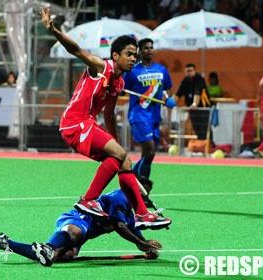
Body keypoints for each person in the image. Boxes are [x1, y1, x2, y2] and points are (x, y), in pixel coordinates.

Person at [40, 7, 171, 230]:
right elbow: (76, 50)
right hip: (75, 122)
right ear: (115, 56)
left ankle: (141, 214)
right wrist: (54, 30)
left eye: (135, 55)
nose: (133, 58)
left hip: (88, 124)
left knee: (125, 161)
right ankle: (88, 199)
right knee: (120, 156)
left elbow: (108, 114)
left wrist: (116, 143)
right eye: (129, 54)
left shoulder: (119, 83)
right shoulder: (101, 67)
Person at [0, 189, 162, 267]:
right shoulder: (119, 197)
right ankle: (48, 246)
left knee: (59, 257)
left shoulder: (130, 215)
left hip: (85, 233)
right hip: (78, 219)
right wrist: (142, 243)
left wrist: (147, 245)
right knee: (74, 233)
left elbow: (134, 234)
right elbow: (119, 226)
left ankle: (7, 242)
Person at [123, 37, 175, 182]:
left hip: (154, 117)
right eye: (146, 48)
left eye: (151, 47)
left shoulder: (161, 70)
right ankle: (141, 186)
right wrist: (120, 90)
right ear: (139, 51)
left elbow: (167, 89)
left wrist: (167, 99)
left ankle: (132, 183)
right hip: (139, 115)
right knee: (150, 150)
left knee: (149, 154)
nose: (149, 50)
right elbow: (122, 88)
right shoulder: (132, 71)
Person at [174, 63, 212, 140]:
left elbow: (197, 93)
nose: (189, 73)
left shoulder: (199, 79)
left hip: (203, 109)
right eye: (187, 71)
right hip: (192, 110)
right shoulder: (185, 81)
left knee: (204, 128)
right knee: (196, 128)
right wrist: (170, 102)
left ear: (194, 71)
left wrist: (195, 104)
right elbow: (177, 93)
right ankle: (201, 143)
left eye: (191, 71)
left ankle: (209, 144)